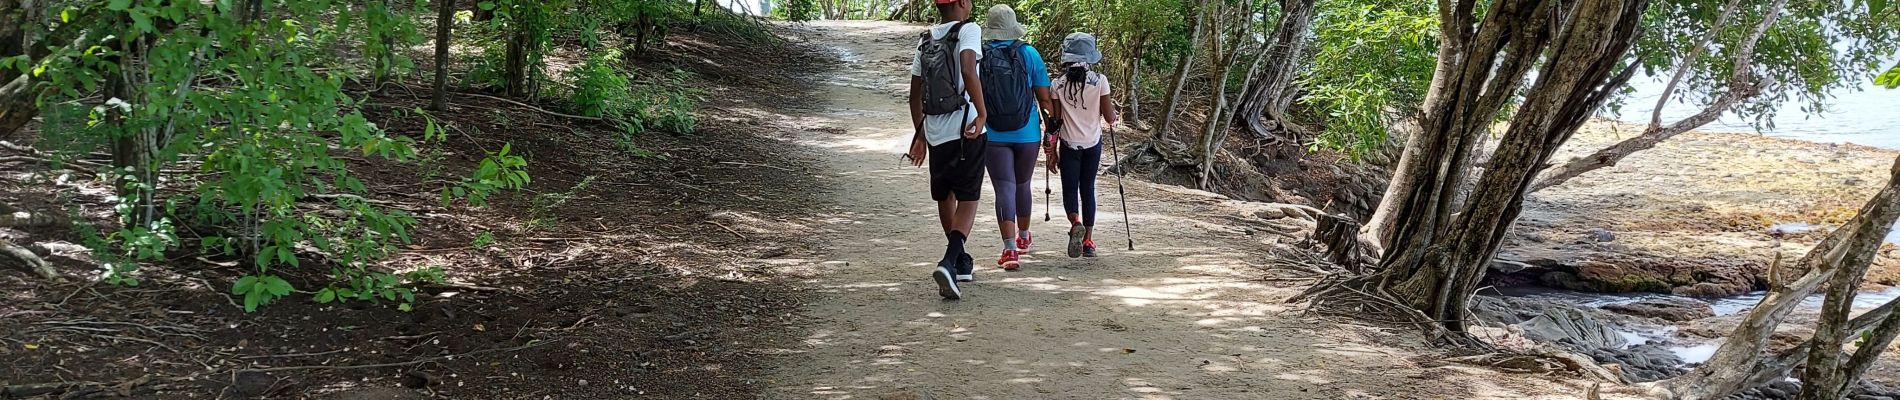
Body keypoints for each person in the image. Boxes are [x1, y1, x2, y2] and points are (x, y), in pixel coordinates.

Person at [908, 0, 987, 300]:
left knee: (945, 195)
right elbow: (968, 69)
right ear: (963, 3)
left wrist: (921, 134)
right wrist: (982, 114)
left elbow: (914, 95)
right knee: (969, 198)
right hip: (966, 128)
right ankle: (949, 260)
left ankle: (960, 260)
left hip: (937, 133)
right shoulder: (969, 30)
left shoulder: (926, 39)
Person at [976, 4, 1055, 271]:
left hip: (993, 132)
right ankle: (1023, 236)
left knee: (1004, 187)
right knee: (1023, 183)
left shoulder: (978, 55)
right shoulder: (1029, 53)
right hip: (1027, 132)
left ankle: (1009, 250)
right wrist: (1051, 131)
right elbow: (1044, 98)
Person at [1045, 32, 1119, 259]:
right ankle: (1088, 240)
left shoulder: (1057, 84)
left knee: (1070, 188)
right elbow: (1109, 117)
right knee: (1087, 189)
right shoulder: (1100, 81)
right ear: (1090, 57)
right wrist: (1115, 114)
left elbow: (1055, 121)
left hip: (1069, 145)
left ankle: (1074, 221)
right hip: (1092, 144)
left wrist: (1050, 151)